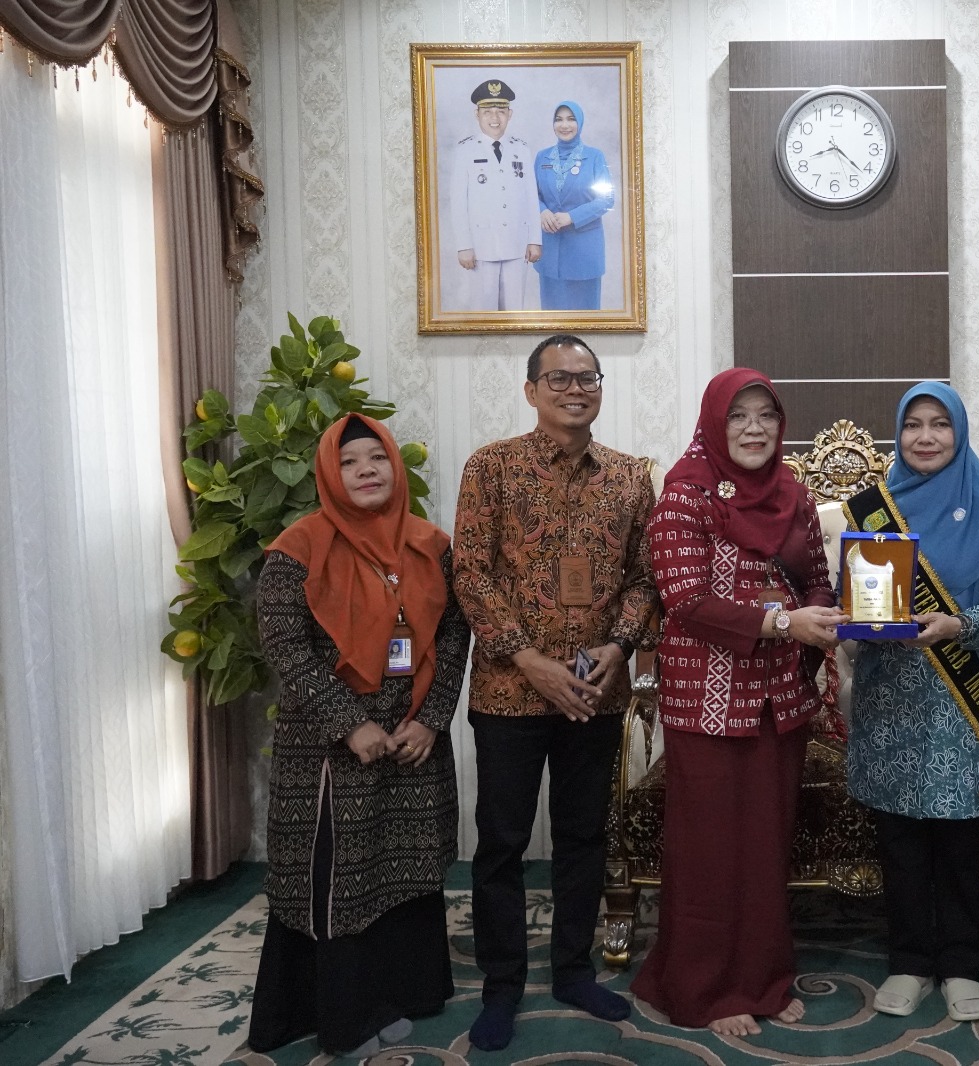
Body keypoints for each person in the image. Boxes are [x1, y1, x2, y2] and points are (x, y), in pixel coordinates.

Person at [452, 333, 659, 1051]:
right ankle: (501, 985)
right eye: (560, 378)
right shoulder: (491, 467)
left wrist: (619, 646)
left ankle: (573, 969)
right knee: (502, 843)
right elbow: (470, 572)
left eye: (588, 378)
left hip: (595, 689)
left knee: (583, 836)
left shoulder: (631, 477)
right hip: (509, 691)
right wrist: (528, 659)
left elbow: (644, 577)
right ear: (531, 390)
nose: (576, 389)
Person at [632, 368, 848, 1036]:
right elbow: (687, 600)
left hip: (779, 700)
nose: (754, 429)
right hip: (708, 700)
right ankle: (705, 988)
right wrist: (782, 624)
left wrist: (819, 617)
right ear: (714, 423)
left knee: (764, 848)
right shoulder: (685, 496)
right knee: (708, 851)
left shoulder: (794, 495)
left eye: (766, 416)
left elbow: (817, 580)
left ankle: (761, 979)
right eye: (739, 416)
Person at [247, 413, 468, 1059]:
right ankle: (342, 1015)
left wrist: (431, 719)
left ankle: (400, 993)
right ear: (328, 473)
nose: (366, 470)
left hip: (412, 738)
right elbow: (286, 647)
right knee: (340, 879)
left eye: (377, 457)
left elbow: (455, 634)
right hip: (330, 747)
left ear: (395, 466)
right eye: (349, 462)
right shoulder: (297, 549)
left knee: (407, 869)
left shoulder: (431, 545)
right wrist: (350, 724)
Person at [842, 382, 979, 1024]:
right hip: (890, 697)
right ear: (898, 434)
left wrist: (961, 625)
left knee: (958, 842)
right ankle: (908, 961)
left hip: (964, 702)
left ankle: (961, 964)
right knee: (900, 840)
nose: (925, 437)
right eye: (913, 425)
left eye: (940, 424)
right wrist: (859, 621)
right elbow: (859, 595)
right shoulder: (875, 508)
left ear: (959, 432)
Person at [450, 79, 541, 312]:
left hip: (517, 243)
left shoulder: (521, 149)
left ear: (510, 114)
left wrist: (534, 239)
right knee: (484, 312)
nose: (495, 118)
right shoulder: (465, 150)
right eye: (487, 111)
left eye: (501, 111)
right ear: (476, 114)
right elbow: (458, 203)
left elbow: (531, 197)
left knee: (515, 312)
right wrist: (463, 245)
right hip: (481, 246)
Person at [534, 101, 615, 311]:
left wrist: (571, 217)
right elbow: (531, 194)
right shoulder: (542, 157)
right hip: (551, 251)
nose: (564, 125)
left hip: (584, 253)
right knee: (552, 320)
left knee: (585, 319)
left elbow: (607, 199)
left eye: (571, 119)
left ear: (580, 122)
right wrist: (542, 211)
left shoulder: (595, 157)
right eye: (558, 119)